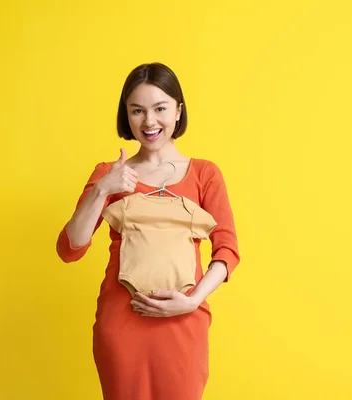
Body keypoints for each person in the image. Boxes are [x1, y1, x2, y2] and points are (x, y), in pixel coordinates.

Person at [56, 62, 240, 400]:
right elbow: (70, 248)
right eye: (137, 110)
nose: (149, 121)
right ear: (126, 116)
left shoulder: (204, 174)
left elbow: (227, 250)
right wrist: (102, 189)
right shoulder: (108, 173)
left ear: (178, 111)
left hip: (184, 321)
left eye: (160, 108)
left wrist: (192, 302)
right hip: (122, 323)